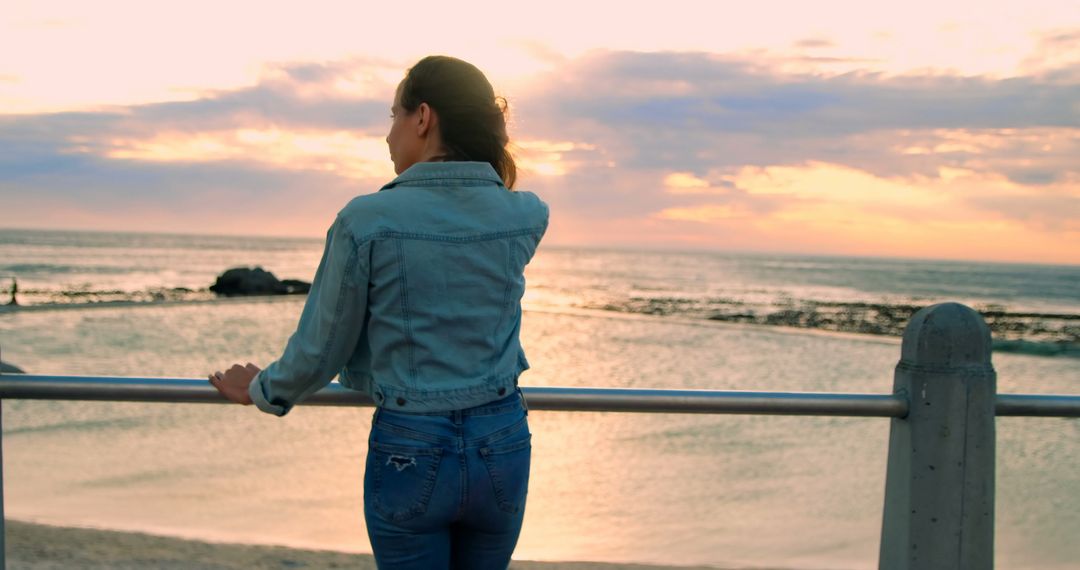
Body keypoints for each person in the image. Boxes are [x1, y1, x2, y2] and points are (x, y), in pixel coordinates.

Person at [209, 55, 548, 569]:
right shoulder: (524, 215)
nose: (388, 135)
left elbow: (322, 346)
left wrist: (263, 389)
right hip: (502, 439)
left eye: (394, 116)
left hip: (412, 445)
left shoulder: (367, 220)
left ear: (423, 118)